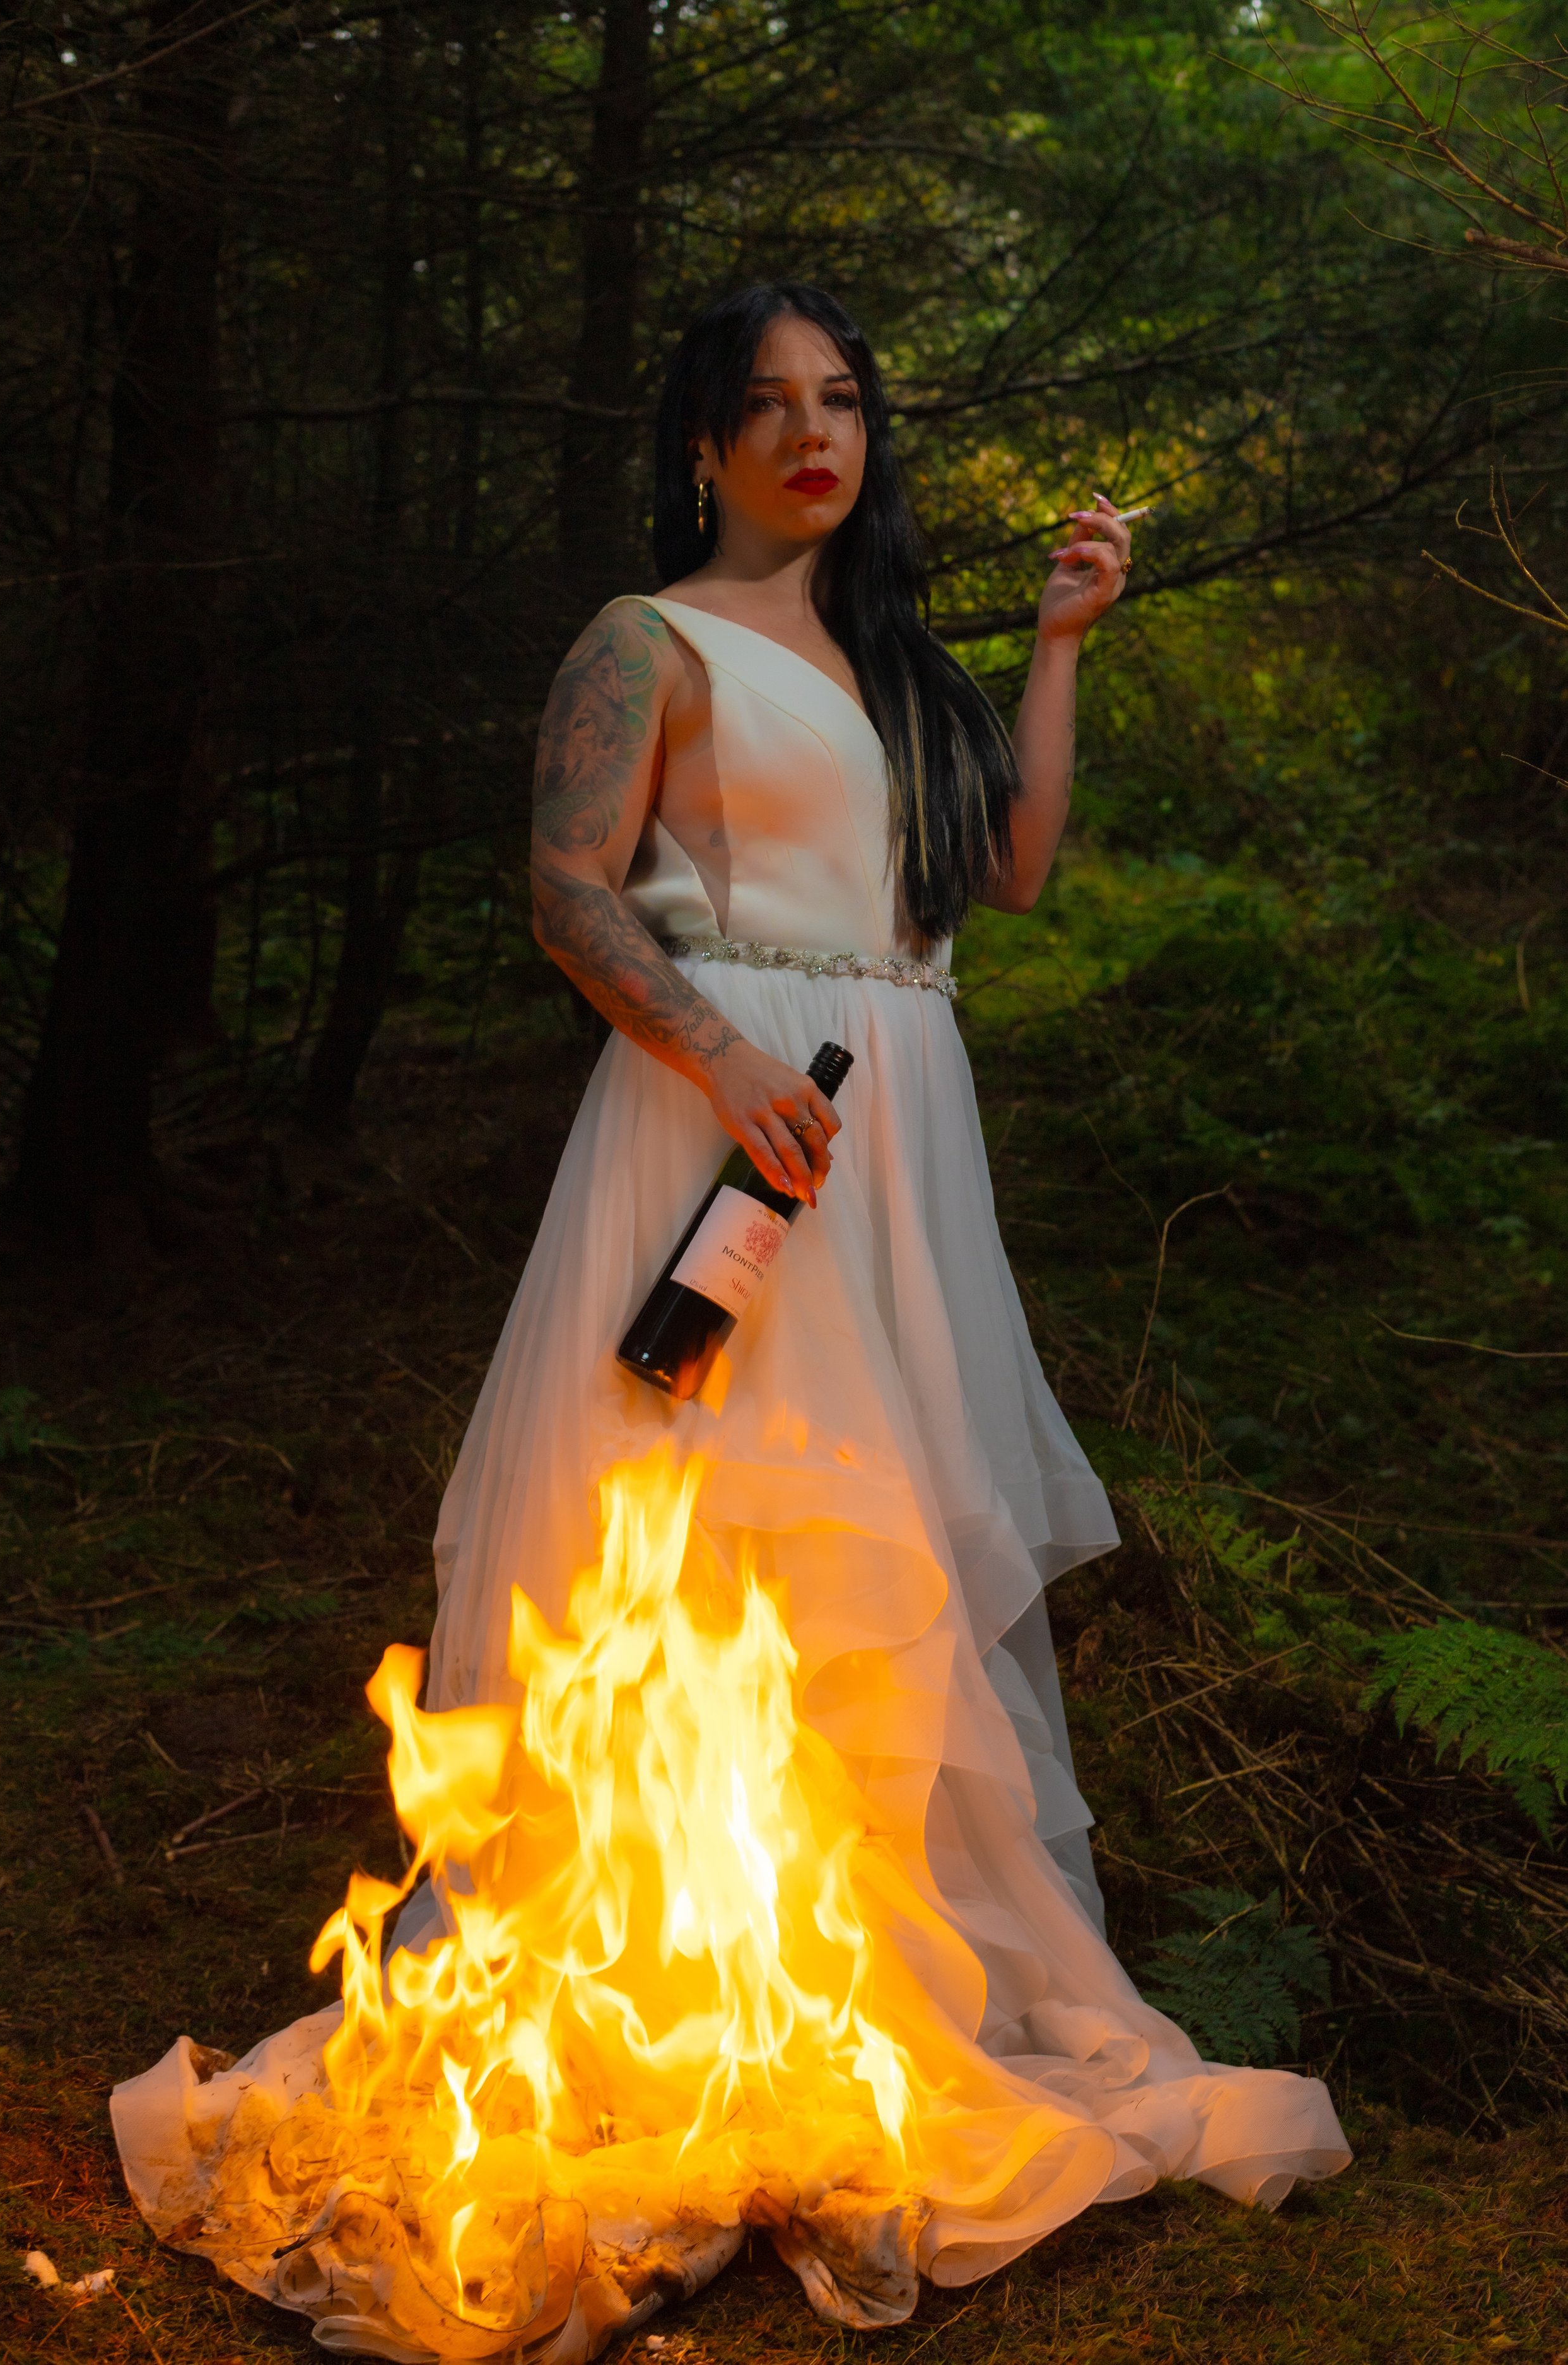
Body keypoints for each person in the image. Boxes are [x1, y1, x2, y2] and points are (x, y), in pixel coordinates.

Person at [412, 282, 1348, 2209]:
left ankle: (864, 1961)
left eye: (840, 400)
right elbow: (566, 887)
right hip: (732, 1104)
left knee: (892, 1526)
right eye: (764, 405)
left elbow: (1002, 874)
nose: (808, 433)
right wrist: (717, 1052)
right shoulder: (650, 640)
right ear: (700, 444)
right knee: (723, 1510)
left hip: (901, 1118)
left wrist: (1062, 648)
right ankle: (654, 1969)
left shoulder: (896, 660)